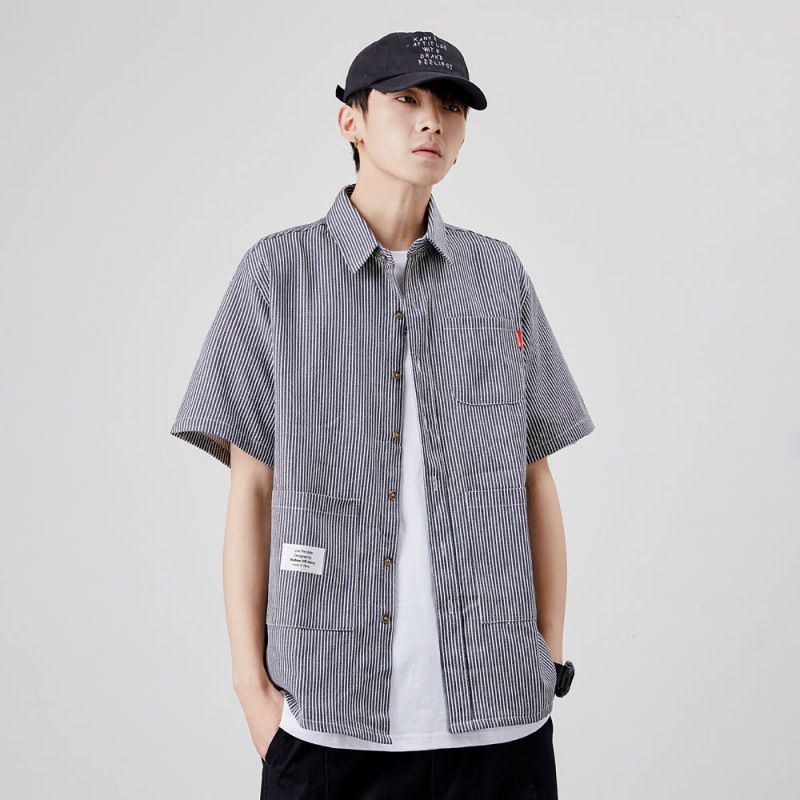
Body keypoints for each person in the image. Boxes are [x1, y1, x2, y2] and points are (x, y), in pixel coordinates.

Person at [170, 29, 594, 800]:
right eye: (407, 99)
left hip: (502, 723)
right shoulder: (276, 276)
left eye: (452, 106)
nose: (433, 120)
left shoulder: (497, 276)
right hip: (328, 723)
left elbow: (535, 475)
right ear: (352, 121)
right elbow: (253, 490)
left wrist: (549, 653)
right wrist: (252, 692)